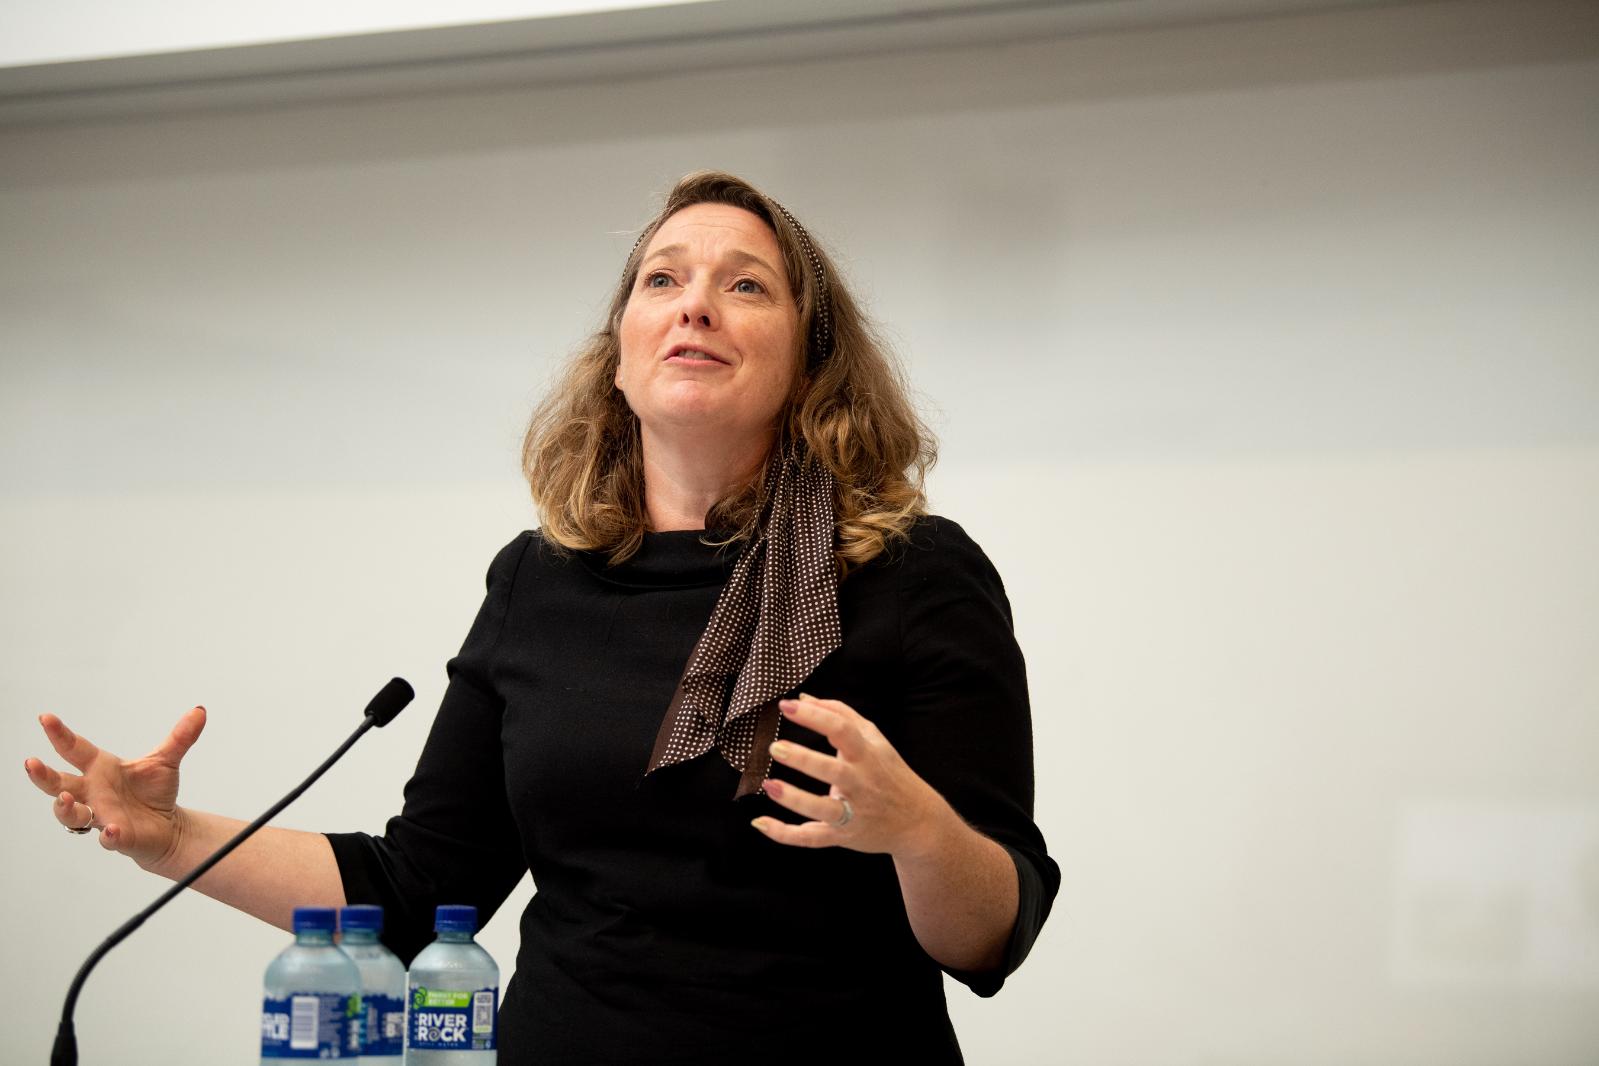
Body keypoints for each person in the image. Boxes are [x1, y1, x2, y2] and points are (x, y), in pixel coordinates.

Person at [25, 171, 1059, 1064]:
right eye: (662, 280)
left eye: (745, 284)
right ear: (619, 353)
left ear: (811, 358)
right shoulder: (539, 581)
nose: (696, 306)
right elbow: (418, 888)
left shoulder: (911, 573)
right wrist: (167, 837)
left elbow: (990, 936)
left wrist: (918, 830)